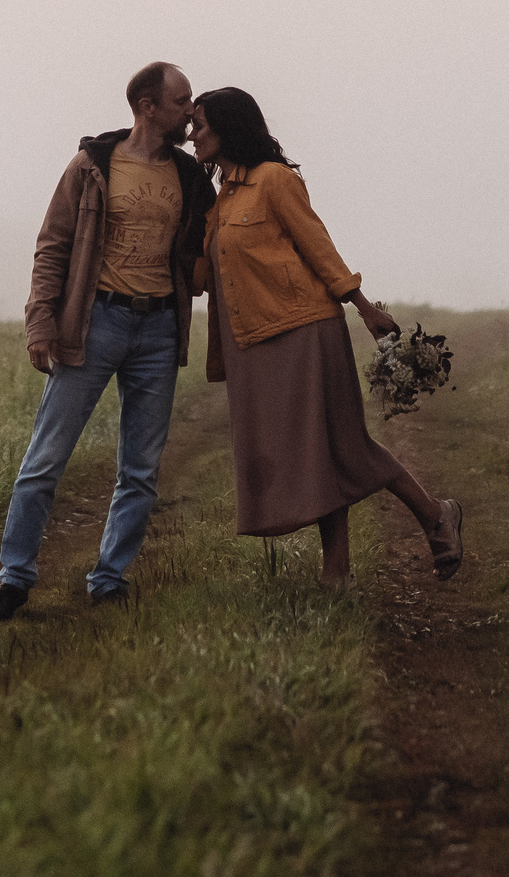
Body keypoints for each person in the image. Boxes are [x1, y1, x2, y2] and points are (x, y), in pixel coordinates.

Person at [190, 86, 461, 589]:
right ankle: (344, 567)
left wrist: (363, 306)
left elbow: (318, 246)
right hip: (255, 343)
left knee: (343, 446)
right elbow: (206, 277)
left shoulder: (275, 180)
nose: (192, 134)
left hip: (304, 331)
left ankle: (428, 517)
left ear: (228, 127)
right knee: (316, 455)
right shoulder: (220, 198)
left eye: (200, 124)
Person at [0, 61, 217, 625]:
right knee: (45, 460)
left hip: (159, 331)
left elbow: (216, 243)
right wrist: (40, 323)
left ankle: (109, 579)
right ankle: (14, 579)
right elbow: (52, 247)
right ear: (147, 106)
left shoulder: (190, 177)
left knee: (141, 469)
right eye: (181, 101)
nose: (190, 111)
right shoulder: (91, 166)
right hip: (95, 322)